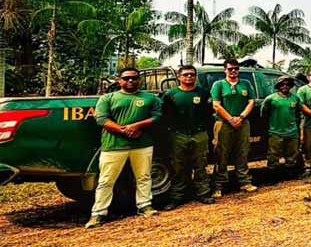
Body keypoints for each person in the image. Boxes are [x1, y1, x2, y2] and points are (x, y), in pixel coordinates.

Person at [85, 67, 162, 228]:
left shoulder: (150, 98)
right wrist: (125, 130)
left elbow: (157, 116)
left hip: (142, 144)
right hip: (114, 145)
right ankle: (98, 213)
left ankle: (145, 206)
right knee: (106, 180)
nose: (130, 81)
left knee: (144, 177)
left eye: (134, 78)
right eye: (126, 78)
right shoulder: (108, 98)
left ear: (139, 80)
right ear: (119, 80)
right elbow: (102, 120)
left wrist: (137, 126)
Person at [160, 65, 214, 211]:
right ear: (179, 77)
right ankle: (177, 197)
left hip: (199, 134)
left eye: (191, 74)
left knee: (201, 165)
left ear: (195, 76)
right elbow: (164, 116)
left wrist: (208, 134)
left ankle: (203, 193)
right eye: (185, 75)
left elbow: (209, 115)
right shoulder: (170, 94)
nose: (189, 77)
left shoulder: (203, 93)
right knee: (178, 167)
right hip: (178, 135)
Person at [211, 59, 256, 196]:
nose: (233, 71)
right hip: (223, 123)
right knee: (221, 153)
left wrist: (241, 117)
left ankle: (244, 182)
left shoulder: (245, 84)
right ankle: (219, 185)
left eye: (236, 68)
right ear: (225, 70)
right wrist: (230, 119)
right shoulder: (219, 85)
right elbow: (216, 105)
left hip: (242, 122)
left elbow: (251, 101)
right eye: (230, 69)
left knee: (242, 151)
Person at [260, 75, 306, 179]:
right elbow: (264, 115)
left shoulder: (295, 98)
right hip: (275, 132)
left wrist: (299, 129)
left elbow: (300, 114)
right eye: (282, 84)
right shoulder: (271, 99)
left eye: (288, 84)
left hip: (292, 132)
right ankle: (273, 177)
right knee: (273, 156)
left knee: (292, 156)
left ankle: (290, 176)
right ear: (278, 86)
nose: (285, 86)